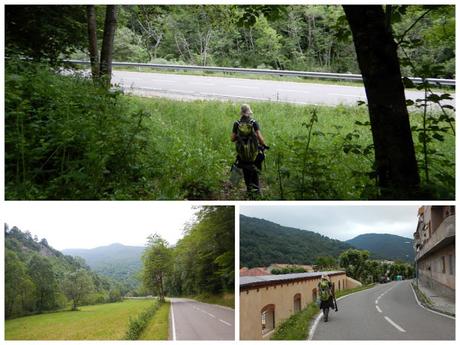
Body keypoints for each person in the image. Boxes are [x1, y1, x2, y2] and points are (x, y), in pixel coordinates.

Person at [231, 104, 268, 195]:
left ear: (242, 113)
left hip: (242, 153)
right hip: (253, 152)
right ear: (249, 112)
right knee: (254, 170)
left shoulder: (237, 123)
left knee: (246, 171)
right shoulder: (253, 123)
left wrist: (240, 138)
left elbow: (232, 139)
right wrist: (264, 145)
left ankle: (249, 190)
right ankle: (257, 192)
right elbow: (260, 138)